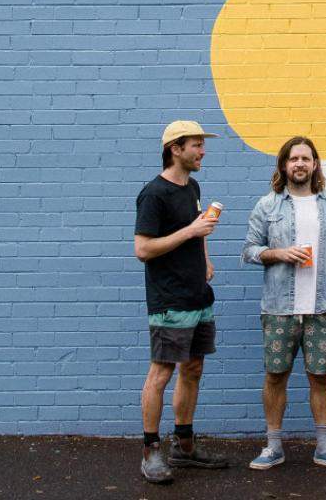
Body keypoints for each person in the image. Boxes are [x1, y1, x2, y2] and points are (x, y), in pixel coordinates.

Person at [241, 136, 326, 472]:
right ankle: (273, 446)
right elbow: (249, 250)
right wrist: (278, 253)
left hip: (322, 308)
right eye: (293, 159)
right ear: (284, 165)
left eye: (305, 159)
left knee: (321, 376)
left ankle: (324, 447)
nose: (299, 164)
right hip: (280, 308)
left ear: (314, 164)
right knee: (275, 375)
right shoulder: (268, 205)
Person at [132, 120, 233, 484]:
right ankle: (150, 451)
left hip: (197, 297)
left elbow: (198, 226)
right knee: (161, 373)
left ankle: (184, 446)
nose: (202, 151)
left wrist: (203, 255)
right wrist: (190, 231)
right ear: (176, 148)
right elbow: (142, 249)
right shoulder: (153, 194)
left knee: (193, 369)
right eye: (196, 145)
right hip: (169, 301)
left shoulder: (192, 186)